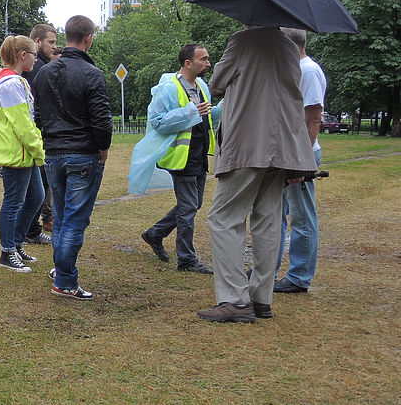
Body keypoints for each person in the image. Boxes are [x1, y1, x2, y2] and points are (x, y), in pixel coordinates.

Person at [197, 26, 316, 323]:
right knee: (269, 219)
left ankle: (235, 300)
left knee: (224, 218)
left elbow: (216, 84)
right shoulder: (288, 47)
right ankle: (262, 298)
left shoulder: (242, 40)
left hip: (247, 143)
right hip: (281, 146)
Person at [34, 15, 112, 300]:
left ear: (66, 36)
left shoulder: (44, 73)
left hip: (54, 153)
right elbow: (101, 119)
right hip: (82, 154)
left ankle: (61, 269)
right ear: (88, 38)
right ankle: (65, 280)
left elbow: (38, 116)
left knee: (63, 216)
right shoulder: (92, 73)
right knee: (74, 220)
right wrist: (103, 150)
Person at [129, 43, 221, 274]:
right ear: (188, 63)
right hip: (182, 157)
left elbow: (207, 115)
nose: (208, 63)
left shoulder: (201, 85)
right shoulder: (169, 88)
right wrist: (190, 112)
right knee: (188, 207)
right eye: (203, 59)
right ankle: (186, 259)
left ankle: (155, 233)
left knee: (193, 204)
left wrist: (225, 107)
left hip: (199, 154)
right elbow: (157, 121)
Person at [274, 28, 327, 294]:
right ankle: (268, 269)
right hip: (289, 154)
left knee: (302, 217)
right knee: (277, 213)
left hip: (300, 155)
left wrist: (302, 162)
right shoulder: (297, 69)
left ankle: (299, 276)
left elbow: (313, 118)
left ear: (289, 45)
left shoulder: (308, 71)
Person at [0, 36, 45, 272]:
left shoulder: (16, 82)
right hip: (16, 153)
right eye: (34, 54)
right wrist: (39, 151)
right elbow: (23, 125)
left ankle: (17, 244)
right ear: (22, 55)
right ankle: (7, 251)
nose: (36, 58)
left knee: (36, 197)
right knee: (13, 202)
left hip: (24, 153)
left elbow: (26, 122)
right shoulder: (11, 85)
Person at [21, 23, 60, 244]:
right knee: (38, 185)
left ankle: (29, 229)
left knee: (38, 185)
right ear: (37, 42)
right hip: (38, 133)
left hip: (37, 132)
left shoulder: (40, 66)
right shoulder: (39, 68)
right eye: (50, 42)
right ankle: (29, 230)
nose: (54, 46)